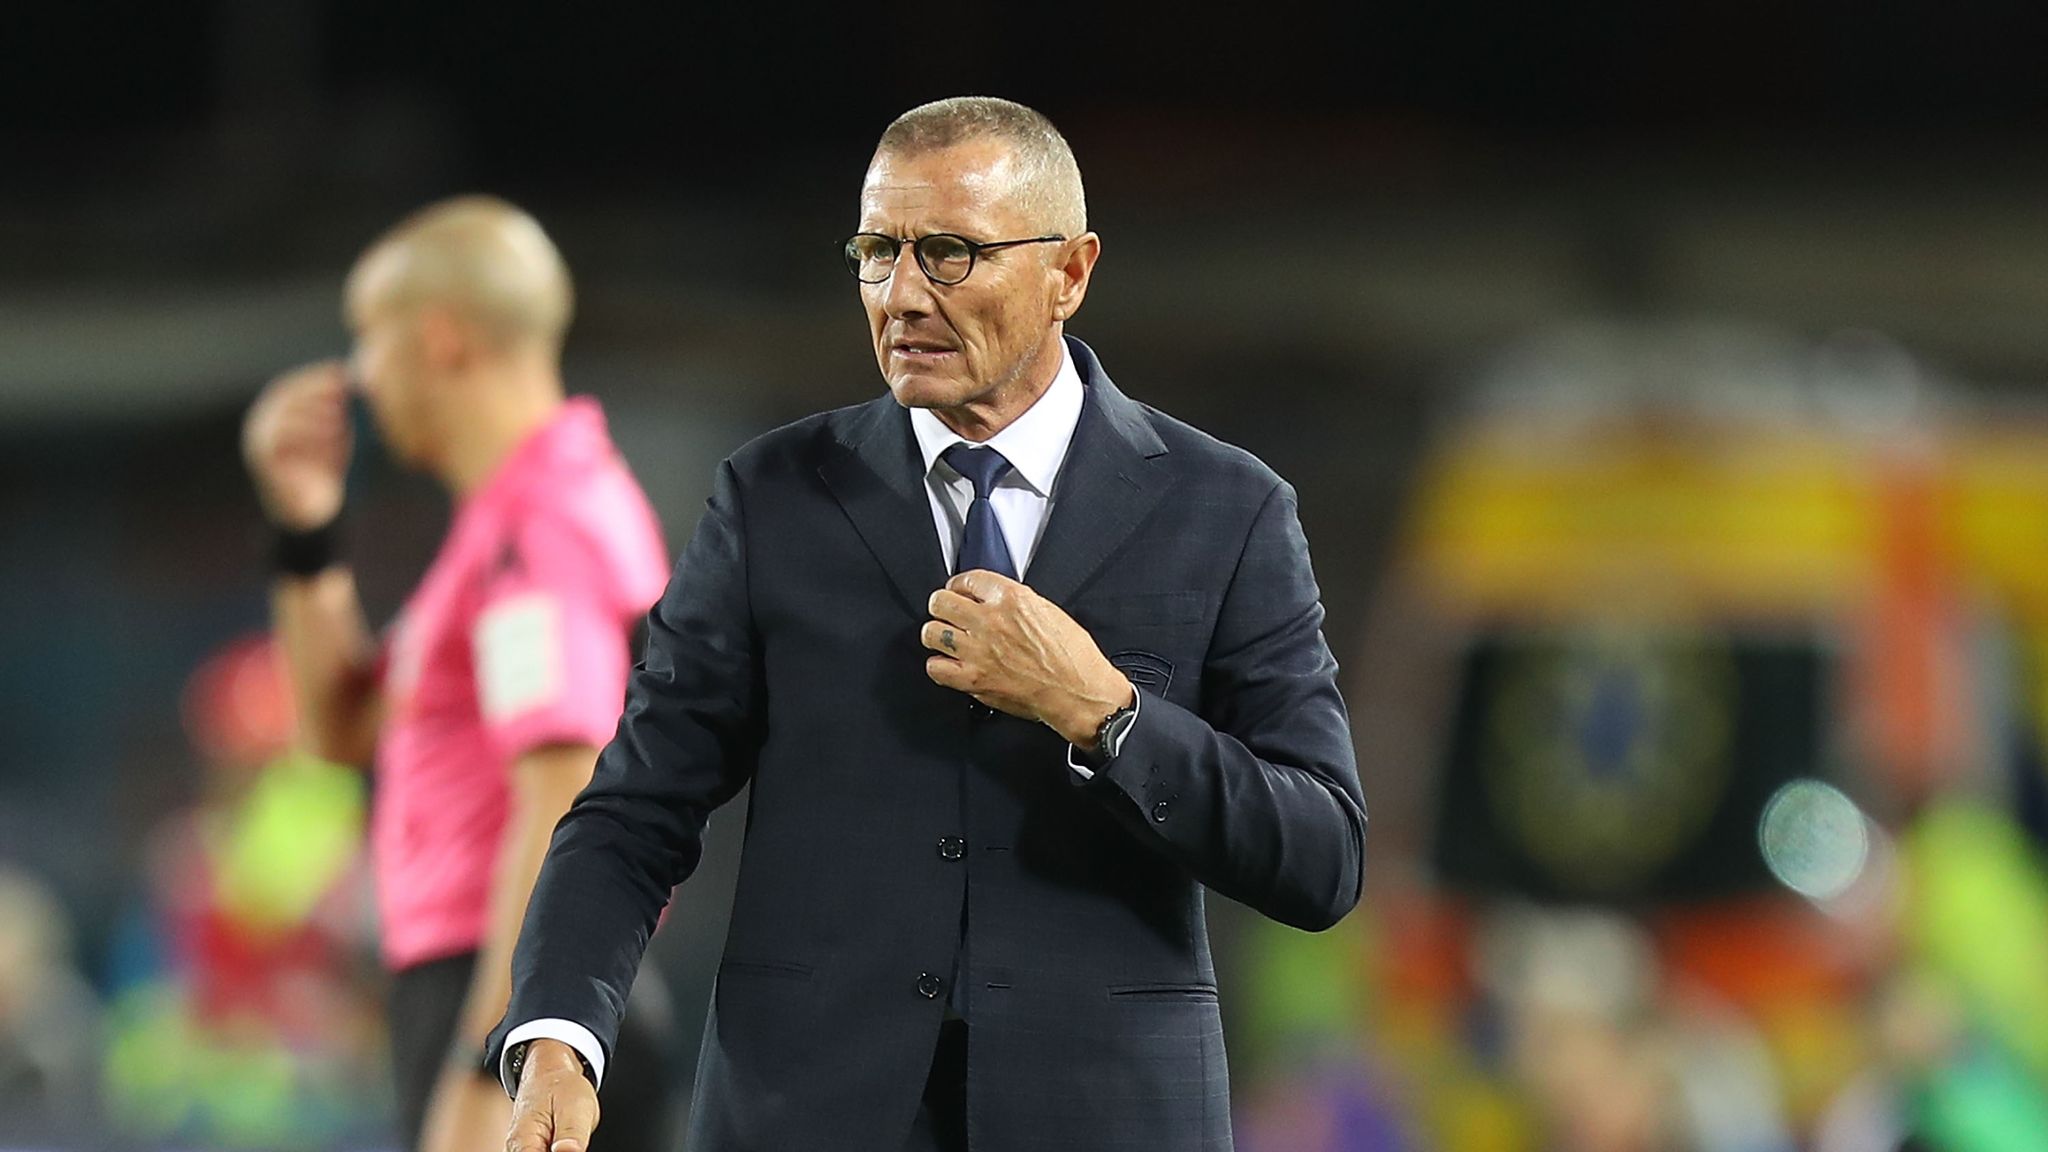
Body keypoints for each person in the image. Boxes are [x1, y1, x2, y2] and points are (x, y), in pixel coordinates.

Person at [494, 97, 1367, 1152]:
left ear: (1070, 273)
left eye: (949, 253)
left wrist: (1106, 715)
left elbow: (1320, 855)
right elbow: (635, 808)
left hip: (1104, 1116)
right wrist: (558, 1036)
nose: (900, 295)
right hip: (805, 1114)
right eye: (875, 252)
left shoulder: (1224, 510)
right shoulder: (772, 497)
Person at [240, 196, 678, 1152]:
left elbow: (565, 788)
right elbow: (342, 732)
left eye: (371, 338)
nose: (360, 373)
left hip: (515, 989)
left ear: (438, 340)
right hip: (516, 984)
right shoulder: (506, 527)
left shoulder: (541, 528)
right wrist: (306, 533)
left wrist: (499, 1063)